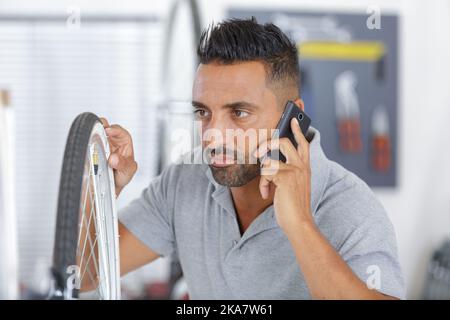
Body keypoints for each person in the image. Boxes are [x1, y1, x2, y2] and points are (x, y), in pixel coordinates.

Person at [100, 17, 405, 299]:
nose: (211, 135)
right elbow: (87, 274)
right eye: (203, 112)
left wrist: (299, 224)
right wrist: (103, 189)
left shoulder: (352, 208)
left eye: (239, 112)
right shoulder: (183, 181)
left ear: (292, 117)